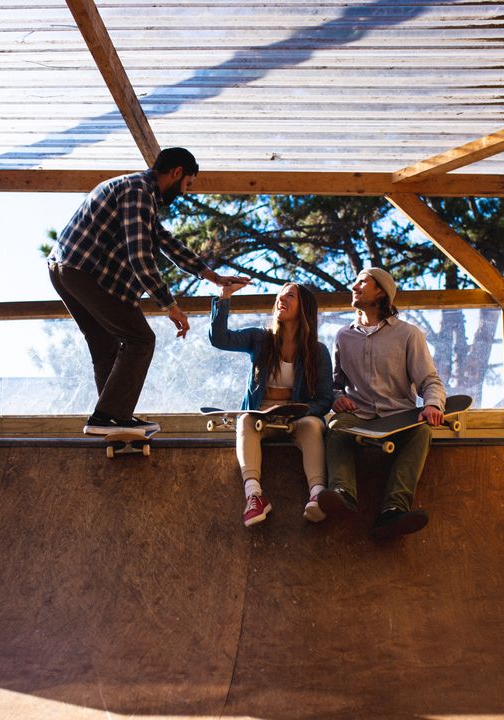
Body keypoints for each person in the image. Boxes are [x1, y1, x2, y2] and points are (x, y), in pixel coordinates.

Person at [47, 147, 246, 435]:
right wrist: (169, 305)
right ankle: (109, 417)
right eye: (187, 184)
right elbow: (139, 255)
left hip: (67, 269)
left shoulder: (138, 192)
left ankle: (111, 421)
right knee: (141, 339)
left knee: (106, 347)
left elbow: (163, 240)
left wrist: (210, 276)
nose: (184, 192)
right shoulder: (138, 191)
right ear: (177, 173)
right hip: (84, 272)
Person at [318, 267, 446, 539]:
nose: (354, 287)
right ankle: (342, 493)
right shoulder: (343, 336)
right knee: (337, 426)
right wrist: (338, 398)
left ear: (381, 292)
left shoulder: (409, 334)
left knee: (422, 432)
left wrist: (432, 405)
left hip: (399, 417)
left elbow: (429, 380)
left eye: (362, 282)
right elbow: (335, 383)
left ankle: (393, 510)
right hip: (359, 416)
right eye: (354, 282)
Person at [210, 281, 334, 527]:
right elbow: (220, 339)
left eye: (290, 295)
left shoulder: (317, 351)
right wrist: (224, 297)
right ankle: (254, 496)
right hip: (261, 416)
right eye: (280, 295)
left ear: (304, 307)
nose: (282, 299)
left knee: (311, 425)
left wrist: (301, 412)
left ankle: (317, 495)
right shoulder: (259, 338)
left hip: (296, 418)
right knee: (245, 420)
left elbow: (325, 399)